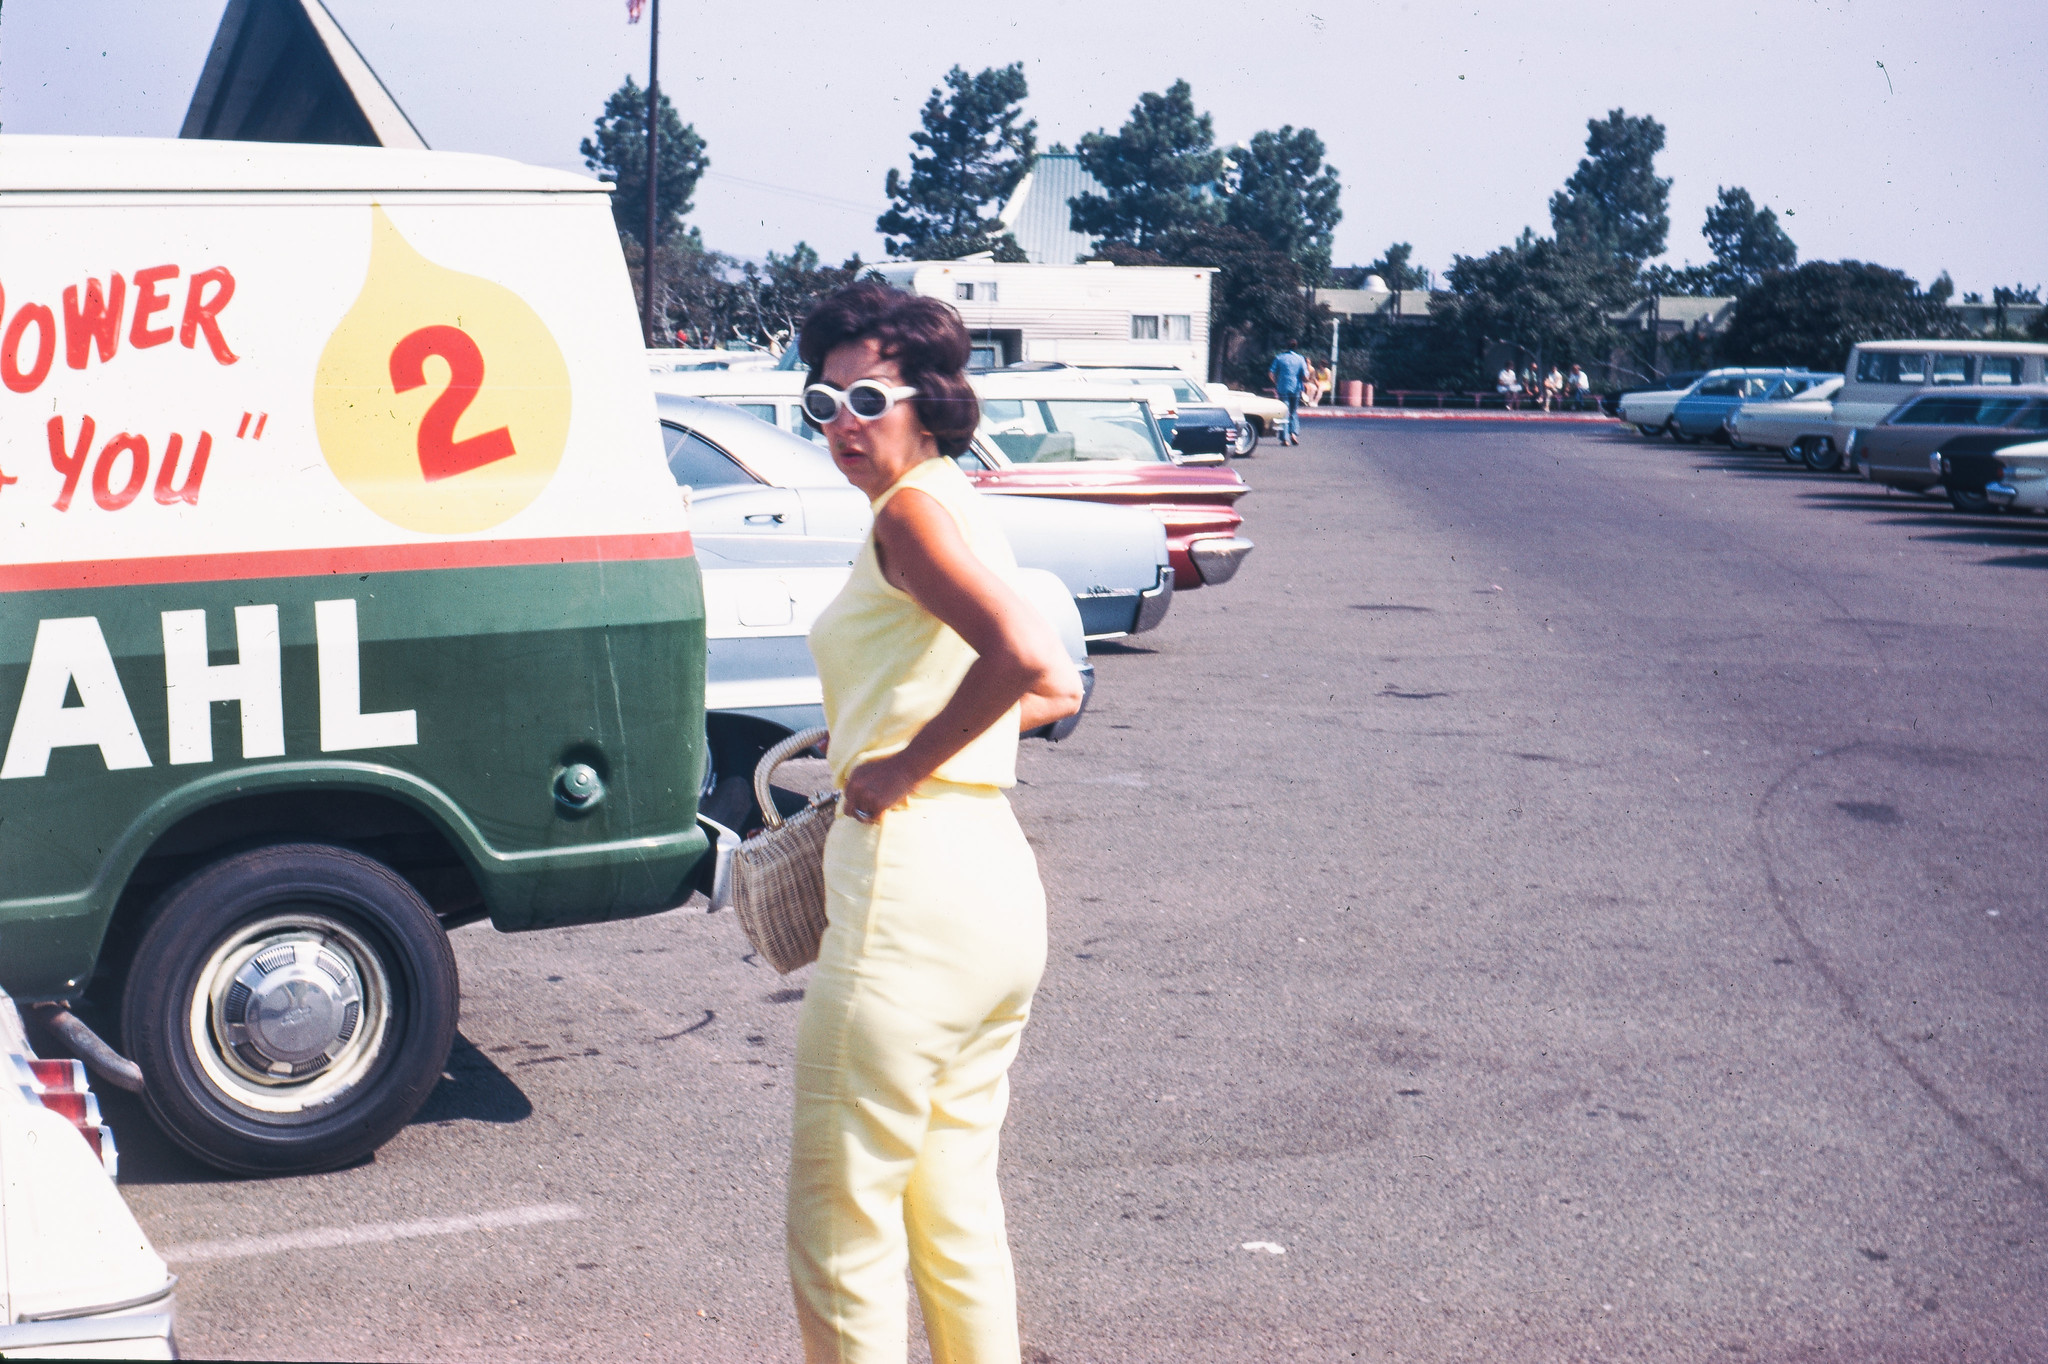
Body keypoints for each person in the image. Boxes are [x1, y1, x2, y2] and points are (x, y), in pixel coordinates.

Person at [789, 282, 1085, 1364]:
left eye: (865, 395)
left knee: (842, 1220)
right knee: (952, 1207)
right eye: (821, 402)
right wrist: (921, 736)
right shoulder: (957, 501)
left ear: (927, 396)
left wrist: (893, 764)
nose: (843, 424)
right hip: (993, 888)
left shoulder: (910, 513)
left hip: (907, 883)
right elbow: (1055, 683)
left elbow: (1016, 655)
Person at [1270, 345, 1308, 444]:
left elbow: (1271, 373)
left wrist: (1276, 383)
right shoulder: (1300, 359)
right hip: (1295, 388)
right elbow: (1305, 376)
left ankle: (1285, 438)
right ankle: (1293, 434)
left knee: (1284, 412)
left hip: (1282, 387)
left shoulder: (1279, 357)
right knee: (1294, 411)